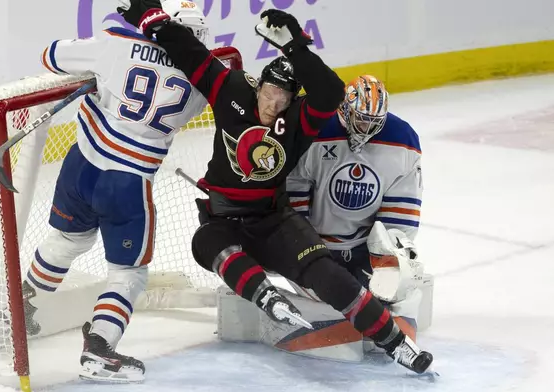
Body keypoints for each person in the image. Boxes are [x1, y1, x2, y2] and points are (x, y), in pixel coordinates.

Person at [120, 1, 433, 374]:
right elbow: (191, 53)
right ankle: (264, 295)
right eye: (269, 93)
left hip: (275, 220)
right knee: (204, 243)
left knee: (329, 274)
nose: (273, 104)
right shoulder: (231, 88)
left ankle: (396, 344)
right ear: (258, 85)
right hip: (224, 217)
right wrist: (151, 18)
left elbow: (331, 91)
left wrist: (295, 47)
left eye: (283, 99)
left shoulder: (300, 118)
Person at [22, 0, 209, 383]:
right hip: (128, 183)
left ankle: (20, 305)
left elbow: (51, 54)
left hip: (81, 167)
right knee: (129, 275)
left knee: (67, 239)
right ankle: (100, 348)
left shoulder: (115, 43)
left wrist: (100, 70)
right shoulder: (204, 81)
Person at [287, 74, 426, 345]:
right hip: (317, 251)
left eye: (375, 122)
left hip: (363, 248)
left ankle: (387, 322)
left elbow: (400, 214)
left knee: (396, 287)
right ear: (345, 110)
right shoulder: (316, 130)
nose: (366, 128)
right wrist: (300, 242)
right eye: (361, 119)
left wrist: (389, 259)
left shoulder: (403, 140)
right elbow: (293, 188)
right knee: (338, 299)